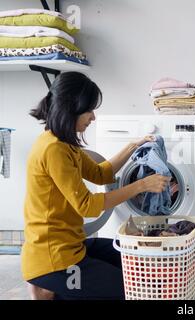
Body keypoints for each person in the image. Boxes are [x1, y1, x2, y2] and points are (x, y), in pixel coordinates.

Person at [22, 72, 170, 300]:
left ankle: (50, 291)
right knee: (131, 291)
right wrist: (141, 185)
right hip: (55, 260)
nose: (93, 117)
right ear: (71, 108)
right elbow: (87, 206)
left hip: (71, 247)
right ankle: (47, 290)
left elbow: (102, 174)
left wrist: (133, 145)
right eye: (89, 109)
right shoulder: (53, 149)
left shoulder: (65, 144)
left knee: (134, 262)